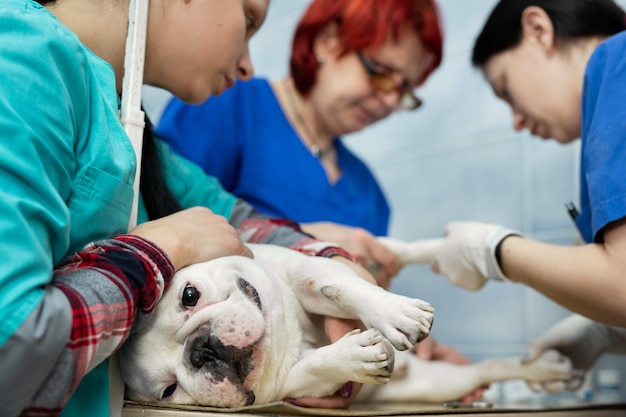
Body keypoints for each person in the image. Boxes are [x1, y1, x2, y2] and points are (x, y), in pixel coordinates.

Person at [0, 1, 396, 416]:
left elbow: (239, 222)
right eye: (248, 20)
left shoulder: (123, 121)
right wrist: (158, 251)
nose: (247, 65)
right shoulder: (21, 59)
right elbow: (12, 344)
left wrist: (339, 269)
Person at [153, 0, 478, 373]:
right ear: (327, 40)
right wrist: (310, 241)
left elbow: (358, 316)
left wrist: (412, 345)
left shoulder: (369, 193)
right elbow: (169, 240)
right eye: (381, 73)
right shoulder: (224, 102)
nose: (389, 99)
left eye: (404, 90)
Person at [405, 0, 626, 379]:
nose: (518, 121)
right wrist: (609, 331)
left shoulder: (616, 62)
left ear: (539, 30)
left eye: (505, 90)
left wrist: (493, 251)